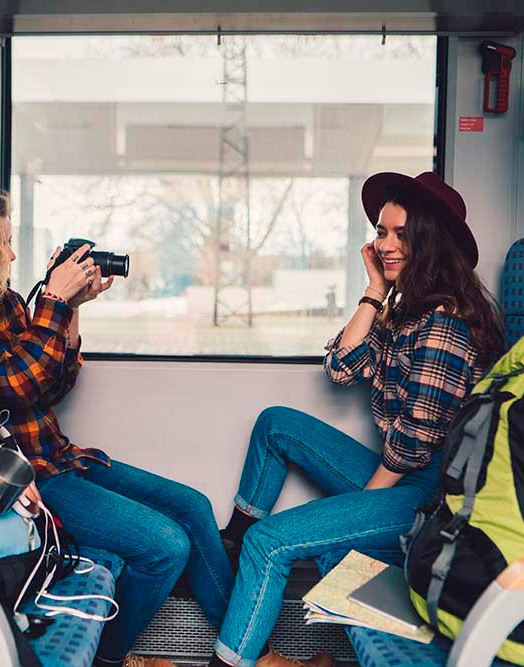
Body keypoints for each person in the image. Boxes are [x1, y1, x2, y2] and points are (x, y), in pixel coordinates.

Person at [0, 187, 235, 667]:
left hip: (61, 456)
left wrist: (73, 305)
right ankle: (109, 659)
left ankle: (243, 653)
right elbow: (17, 385)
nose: (12, 255)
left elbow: (55, 382)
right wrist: (54, 299)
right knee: (165, 548)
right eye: (4, 242)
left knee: (195, 507)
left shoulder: (5, 303)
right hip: (29, 476)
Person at [209, 172, 505, 667]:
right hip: (405, 472)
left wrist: (362, 507)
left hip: (432, 496)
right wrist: (373, 291)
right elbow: (340, 368)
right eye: (381, 232)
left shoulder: (445, 321)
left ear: (430, 242)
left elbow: (414, 442)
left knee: (271, 542)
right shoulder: (406, 309)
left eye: (401, 234)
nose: (384, 245)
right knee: (276, 423)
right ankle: (231, 545)